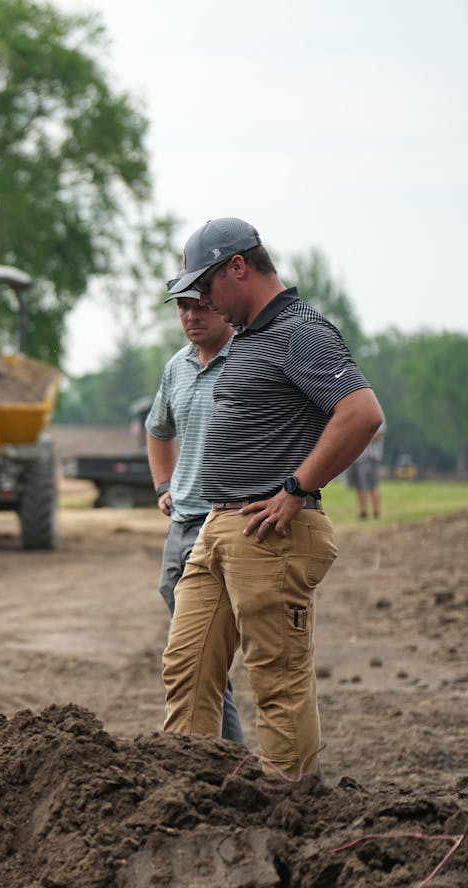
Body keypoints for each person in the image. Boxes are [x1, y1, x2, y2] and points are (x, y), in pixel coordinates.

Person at [160, 218, 384, 777]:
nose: (202, 301)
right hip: (217, 527)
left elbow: (360, 414)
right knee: (186, 669)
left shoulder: (299, 330)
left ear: (239, 266)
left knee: (277, 681)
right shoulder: (251, 337)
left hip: (270, 532)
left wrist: (296, 488)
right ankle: (190, 790)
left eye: (206, 287)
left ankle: (293, 811)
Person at [145, 284, 244, 744]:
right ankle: (223, 758)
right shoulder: (176, 367)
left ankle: (244, 764)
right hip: (182, 525)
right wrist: (164, 484)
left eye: (200, 305)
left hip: (230, 523)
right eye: (183, 307)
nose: (191, 316)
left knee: (219, 656)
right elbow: (157, 430)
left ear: (221, 303)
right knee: (196, 658)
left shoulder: (249, 359)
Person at [345, 421, 387, 519]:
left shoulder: (378, 413)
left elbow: (380, 434)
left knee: (372, 485)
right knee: (359, 486)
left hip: (370, 457)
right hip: (356, 457)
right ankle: (363, 512)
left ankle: (376, 512)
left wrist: (361, 436)